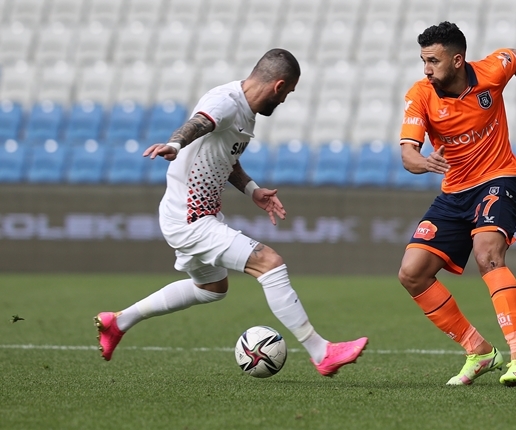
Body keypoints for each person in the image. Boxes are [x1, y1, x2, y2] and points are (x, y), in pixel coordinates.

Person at [94, 48, 368, 377]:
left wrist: (253, 190)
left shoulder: (245, 113)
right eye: (288, 94)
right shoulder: (225, 101)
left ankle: (118, 322)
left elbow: (227, 157)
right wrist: (175, 144)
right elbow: (199, 123)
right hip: (190, 218)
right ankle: (321, 351)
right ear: (279, 86)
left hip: (192, 214)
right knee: (270, 264)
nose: (284, 102)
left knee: (211, 289)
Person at [398, 22, 516, 386]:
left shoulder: (491, 70)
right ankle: (479, 349)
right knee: (412, 273)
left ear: (458, 61)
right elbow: (408, 154)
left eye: (433, 61)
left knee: (487, 253)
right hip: (454, 191)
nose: (426, 69)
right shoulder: (421, 94)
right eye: (423, 60)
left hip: (499, 178)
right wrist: (423, 161)